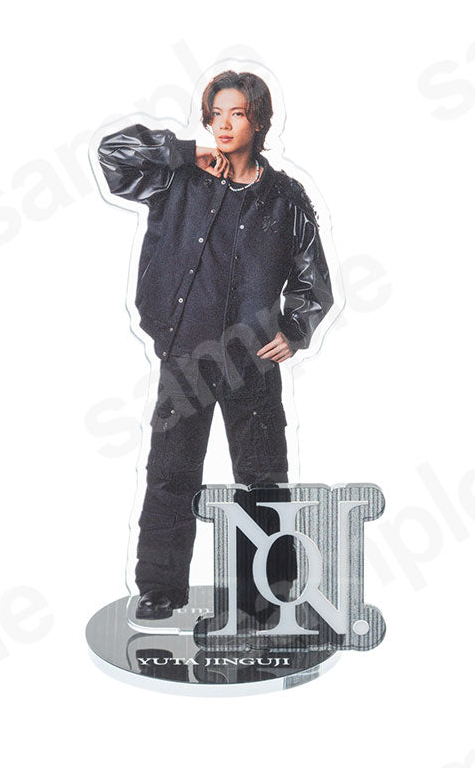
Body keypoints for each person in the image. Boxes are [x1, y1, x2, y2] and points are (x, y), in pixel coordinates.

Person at [96, 70, 334, 619]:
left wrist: (295, 330)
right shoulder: (180, 178)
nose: (224, 125)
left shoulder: (285, 198)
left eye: (238, 114)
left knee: (262, 479)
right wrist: (184, 153)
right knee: (171, 473)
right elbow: (113, 155)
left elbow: (311, 278)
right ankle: (160, 588)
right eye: (217, 113)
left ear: (258, 122)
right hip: (186, 350)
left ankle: (265, 596)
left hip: (252, 358)